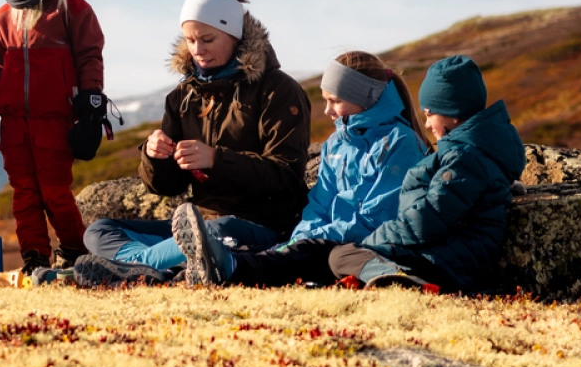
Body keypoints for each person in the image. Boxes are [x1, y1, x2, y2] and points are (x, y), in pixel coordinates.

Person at [72, 0, 309, 286]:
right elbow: (166, 187)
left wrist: (216, 159)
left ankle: (140, 269)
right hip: (197, 223)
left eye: (208, 39)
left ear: (234, 35)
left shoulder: (279, 91)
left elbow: (286, 177)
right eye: (190, 40)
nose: (198, 50)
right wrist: (156, 157)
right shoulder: (183, 96)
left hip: (261, 225)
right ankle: (170, 266)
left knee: (211, 233)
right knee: (99, 231)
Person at [182, 51, 430, 287]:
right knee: (287, 248)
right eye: (326, 100)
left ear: (363, 98)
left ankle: (230, 268)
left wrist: (316, 237)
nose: (327, 110)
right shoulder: (335, 144)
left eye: (336, 101)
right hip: (328, 239)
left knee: (305, 254)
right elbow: (319, 204)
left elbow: (378, 217)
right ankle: (186, 271)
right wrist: (303, 234)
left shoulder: (401, 143)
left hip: (366, 243)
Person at [0, 0, 107, 272]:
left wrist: (92, 104)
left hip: (55, 120)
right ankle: (34, 256)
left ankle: (76, 251)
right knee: (24, 194)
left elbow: (89, 56)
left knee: (54, 192)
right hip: (14, 122)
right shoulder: (3, 17)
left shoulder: (71, 10)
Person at [339, 55, 525, 290]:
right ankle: (392, 278)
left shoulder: (464, 158)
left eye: (429, 114)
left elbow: (428, 220)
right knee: (343, 256)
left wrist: (372, 241)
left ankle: (404, 281)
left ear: (453, 113)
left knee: (343, 255)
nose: (426, 125)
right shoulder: (470, 152)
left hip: (443, 265)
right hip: (439, 256)